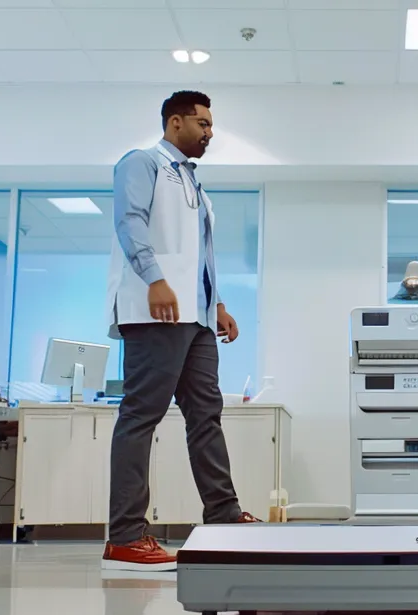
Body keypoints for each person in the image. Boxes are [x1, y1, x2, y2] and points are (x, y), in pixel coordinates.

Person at [103, 90, 257, 571]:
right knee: (141, 416)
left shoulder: (196, 187)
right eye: (203, 124)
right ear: (175, 123)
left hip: (196, 318)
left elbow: (199, 256)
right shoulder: (142, 163)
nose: (210, 133)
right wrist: (155, 280)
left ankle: (224, 515)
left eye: (211, 126)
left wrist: (219, 305)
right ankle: (125, 537)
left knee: (205, 414)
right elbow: (131, 223)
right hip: (156, 312)